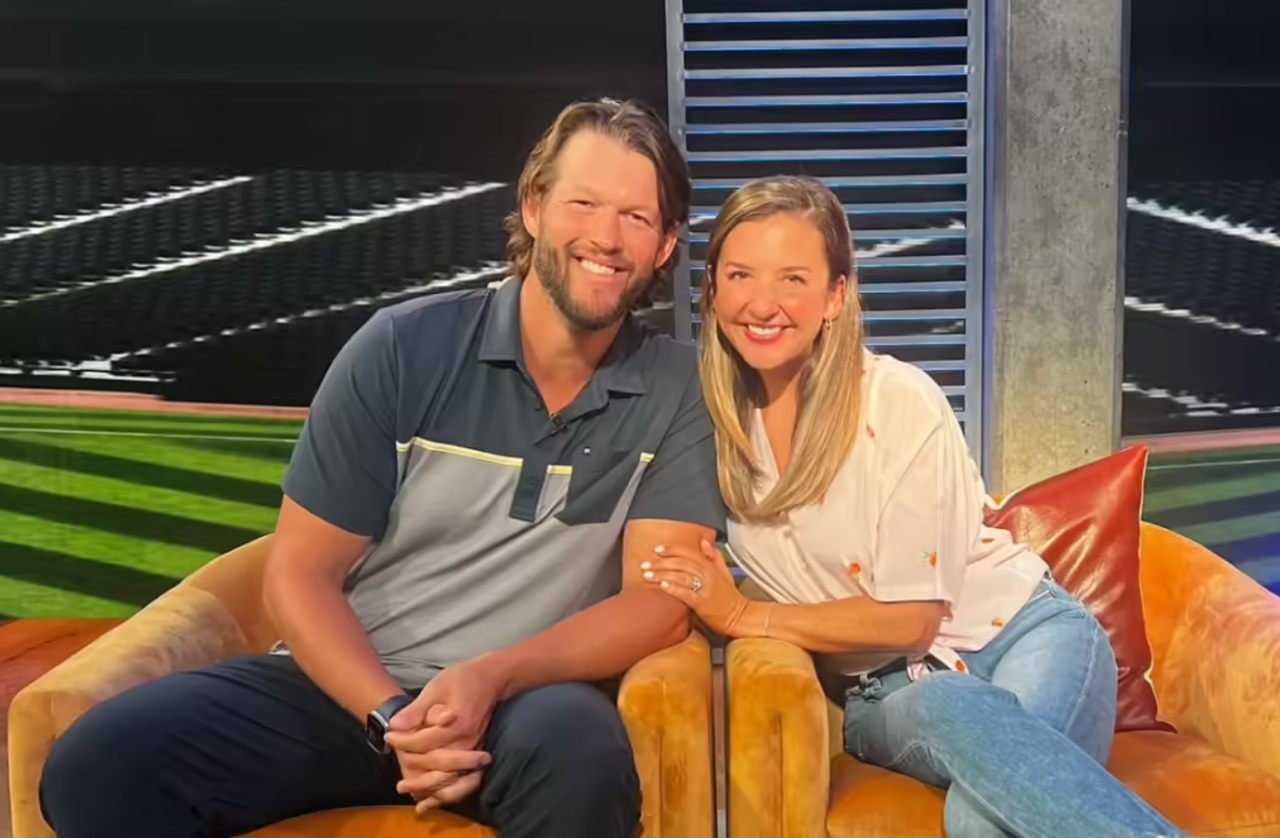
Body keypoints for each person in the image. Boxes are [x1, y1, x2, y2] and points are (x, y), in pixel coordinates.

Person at [38, 98, 725, 838]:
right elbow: (299, 575)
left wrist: (493, 676)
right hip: (351, 689)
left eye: (635, 216)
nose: (605, 235)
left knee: (582, 753)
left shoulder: (679, 387)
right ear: (533, 208)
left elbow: (654, 603)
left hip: (522, 700)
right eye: (583, 203)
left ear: (664, 245)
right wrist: (392, 716)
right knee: (97, 763)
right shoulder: (403, 348)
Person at [641, 175, 1187, 838]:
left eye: (792, 278)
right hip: (887, 697)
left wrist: (744, 614)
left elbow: (910, 620)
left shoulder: (897, 398)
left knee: (980, 824)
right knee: (955, 714)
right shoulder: (711, 430)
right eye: (740, 275)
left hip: (1028, 633)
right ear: (713, 291)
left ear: (836, 295)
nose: (763, 303)